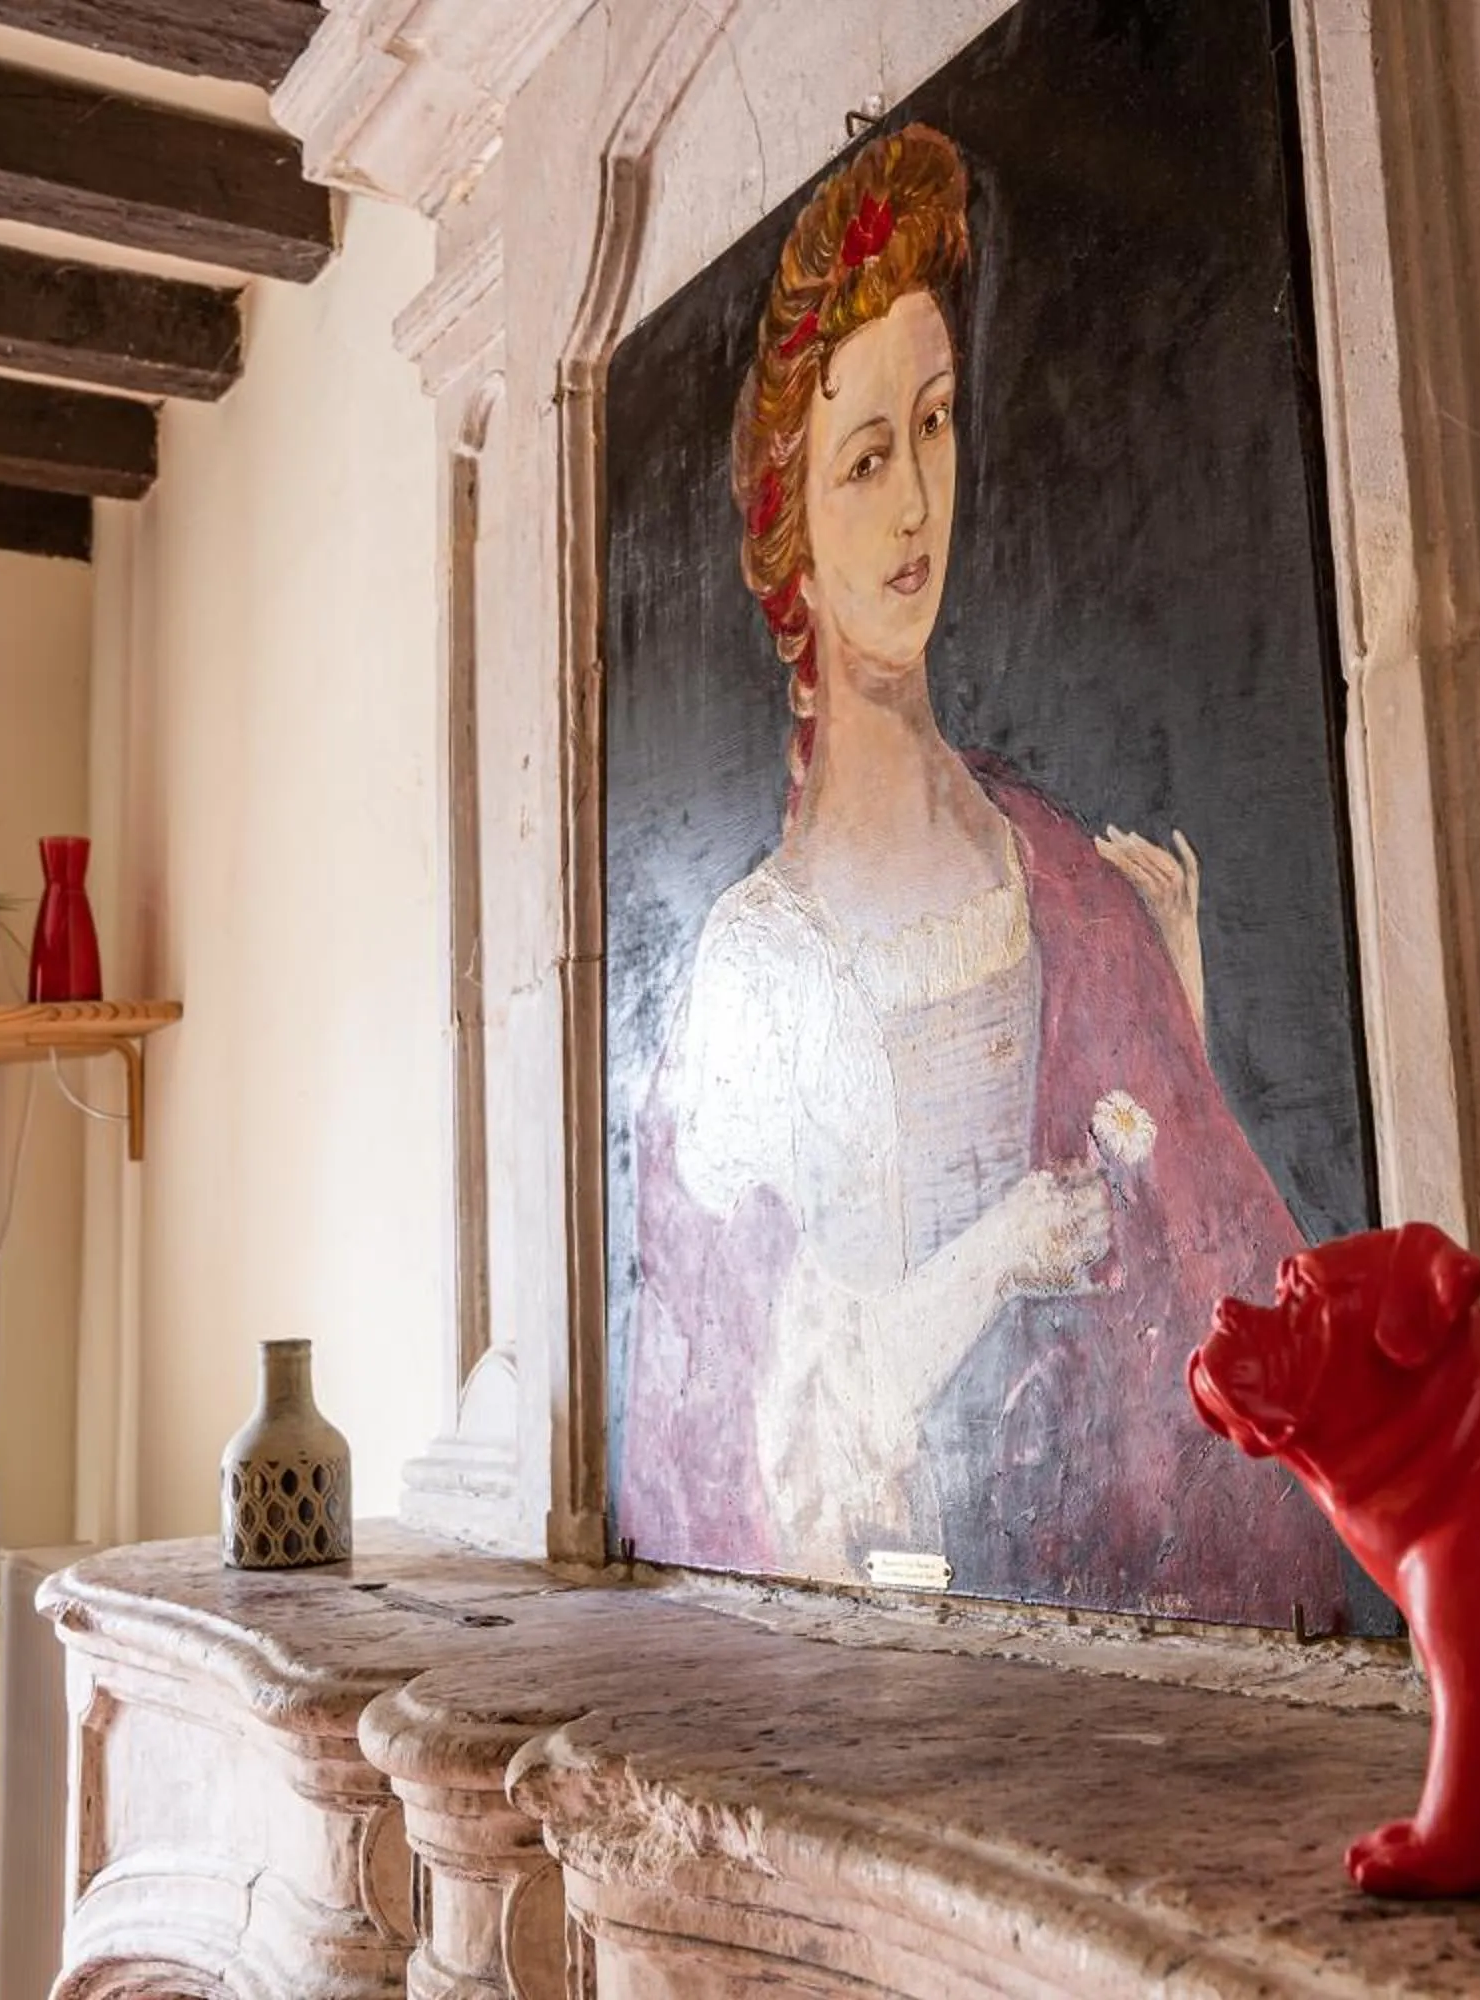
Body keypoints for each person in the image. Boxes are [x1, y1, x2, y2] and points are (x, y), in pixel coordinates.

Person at [616, 123, 1346, 1627]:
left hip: (1104, 1618)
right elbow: (779, 1440)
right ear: (789, 535)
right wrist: (1004, 1252)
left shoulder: (1056, 868)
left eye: (935, 426)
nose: (913, 505)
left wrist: (1167, 1016)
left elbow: (1189, 1278)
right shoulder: (761, 957)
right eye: (864, 459)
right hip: (893, 1626)